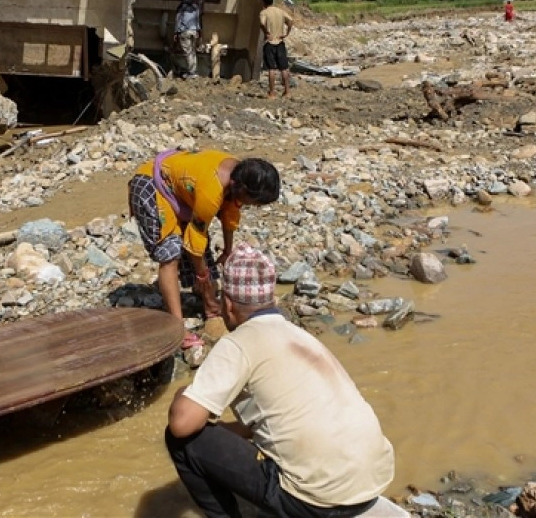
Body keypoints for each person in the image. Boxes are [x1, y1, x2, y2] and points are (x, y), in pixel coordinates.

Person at [165, 244, 396, 518]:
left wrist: (184, 392)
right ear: (271, 298)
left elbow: (182, 424)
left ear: (227, 303)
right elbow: (279, 418)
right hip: (370, 482)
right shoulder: (298, 335)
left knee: (183, 442)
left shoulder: (239, 343)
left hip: (317, 503)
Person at [127, 151, 280, 348]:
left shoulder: (241, 175)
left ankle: (208, 306)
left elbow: (230, 213)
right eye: (254, 203)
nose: (254, 207)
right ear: (240, 188)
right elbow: (195, 239)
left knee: (203, 255)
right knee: (170, 253)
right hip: (152, 185)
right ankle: (178, 328)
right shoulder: (213, 189)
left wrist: (227, 251)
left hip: (180, 193)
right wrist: (202, 276)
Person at [259, 0, 295, 98]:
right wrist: (287, 33)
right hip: (280, 42)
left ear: (264, 2)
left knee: (271, 69)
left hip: (269, 43)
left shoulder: (264, 12)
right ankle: (287, 91)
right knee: (284, 68)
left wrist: (266, 32)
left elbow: (262, 23)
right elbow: (291, 21)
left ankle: (272, 92)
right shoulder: (280, 11)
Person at [174, 0, 203, 80]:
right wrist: (199, 31)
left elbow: (178, 21)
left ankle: (192, 73)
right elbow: (198, 20)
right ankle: (194, 71)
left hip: (184, 32)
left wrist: (176, 33)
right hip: (194, 31)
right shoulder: (195, 7)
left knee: (188, 52)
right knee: (193, 52)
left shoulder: (181, 7)